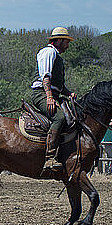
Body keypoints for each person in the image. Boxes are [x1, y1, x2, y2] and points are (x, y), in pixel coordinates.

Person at [30, 27, 76, 171]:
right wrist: (49, 97)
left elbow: (59, 85)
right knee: (59, 117)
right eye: (66, 42)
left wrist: (69, 94)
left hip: (53, 93)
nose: (68, 46)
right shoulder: (48, 52)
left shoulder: (56, 55)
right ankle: (49, 158)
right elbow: (46, 77)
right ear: (59, 40)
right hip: (41, 94)